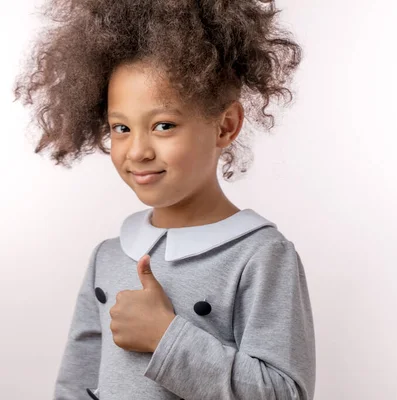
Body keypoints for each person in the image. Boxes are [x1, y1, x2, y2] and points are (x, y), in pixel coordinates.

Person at [13, 0, 315, 399]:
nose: (137, 151)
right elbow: (76, 383)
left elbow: (284, 394)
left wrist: (165, 337)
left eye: (163, 125)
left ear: (225, 126)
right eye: (120, 127)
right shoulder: (108, 256)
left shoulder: (260, 256)